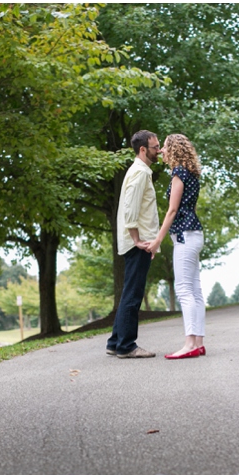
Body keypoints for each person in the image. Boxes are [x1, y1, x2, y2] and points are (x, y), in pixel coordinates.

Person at [148, 133, 206, 359]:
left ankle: (190, 344)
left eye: (164, 147)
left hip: (184, 236)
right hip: (194, 233)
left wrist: (157, 241)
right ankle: (198, 342)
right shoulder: (190, 172)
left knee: (184, 290)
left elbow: (172, 211)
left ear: (173, 150)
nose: (161, 150)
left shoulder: (179, 174)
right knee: (195, 291)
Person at [105, 130, 161, 359]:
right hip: (138, 244)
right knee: (133, 294)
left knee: (128, 291)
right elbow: (130, 209)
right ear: (143, 149)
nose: (159, 150)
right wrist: (138, 240)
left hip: (139, 242)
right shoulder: (139, 173)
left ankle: (115, 341)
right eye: (156, 147)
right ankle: (127, 346)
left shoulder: (140, 171)